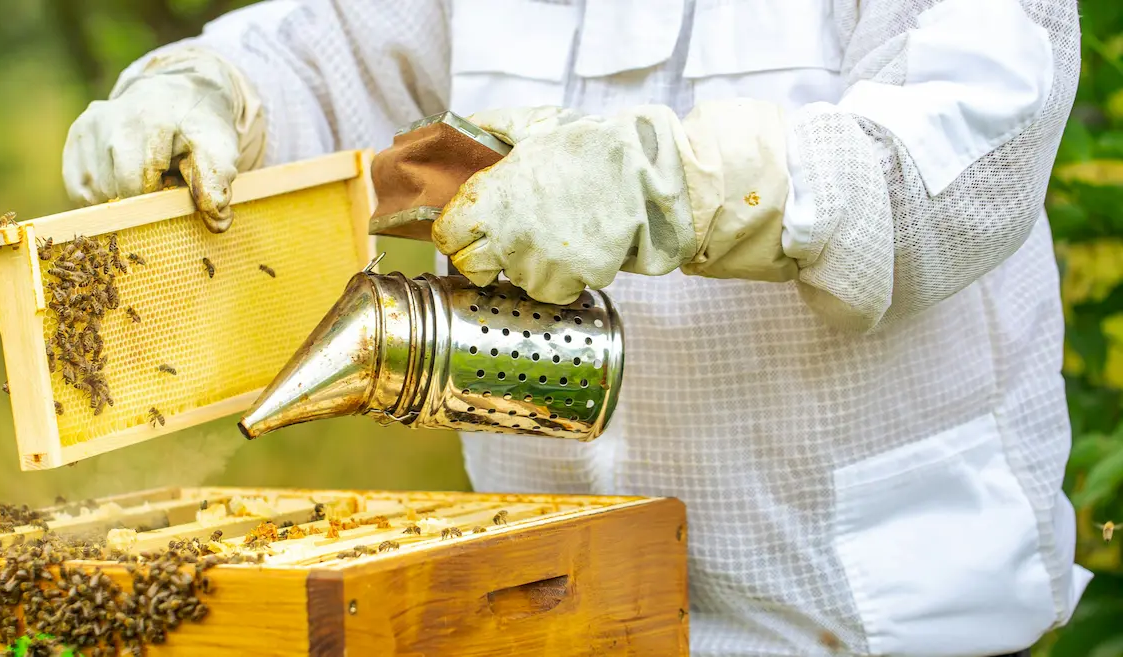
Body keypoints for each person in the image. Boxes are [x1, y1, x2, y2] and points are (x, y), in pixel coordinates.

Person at [61, 1, 1089, 654]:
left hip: (869, 614)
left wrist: (682, 187)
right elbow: (330, 51)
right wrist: (208, 94)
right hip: (563, 611)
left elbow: (954, 164)